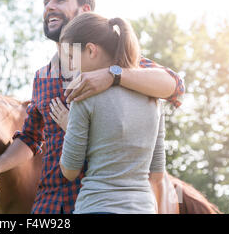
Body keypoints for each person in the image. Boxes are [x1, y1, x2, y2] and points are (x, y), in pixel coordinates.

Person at [0, 0, 184, 214]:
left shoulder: (119, 63)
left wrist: (113, 75)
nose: (50, 7)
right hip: (49, 205)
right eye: (46, 2)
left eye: (60, 0)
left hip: (102, 202)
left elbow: (175, 86)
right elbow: (31, 139)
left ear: (84, 10)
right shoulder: (43, 77)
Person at [58, 12, 164, 214]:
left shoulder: (84, 97)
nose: (71, 65)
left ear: (91, 50)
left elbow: (70, 171)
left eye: (72, 56)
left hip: (97, 206)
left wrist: (69, 127)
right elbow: (157, 174)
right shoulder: (153, 97)